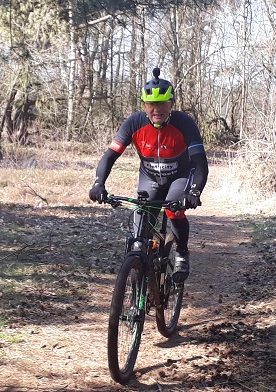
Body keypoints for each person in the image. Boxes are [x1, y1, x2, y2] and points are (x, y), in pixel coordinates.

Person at [89, 67, 208, 281]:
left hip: (179, 176)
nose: (157, 109)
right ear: (144, 105)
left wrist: (194, 192)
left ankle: (181, 254)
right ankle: (140, 283)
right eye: (152, 104)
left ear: (171, 104)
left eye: (162, 104)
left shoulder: (185, 124)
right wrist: (99, 184)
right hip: (150, 177)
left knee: (174, 210)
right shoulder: (134, 124)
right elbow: (110, 156)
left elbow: (200, 163)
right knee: (139, 231)